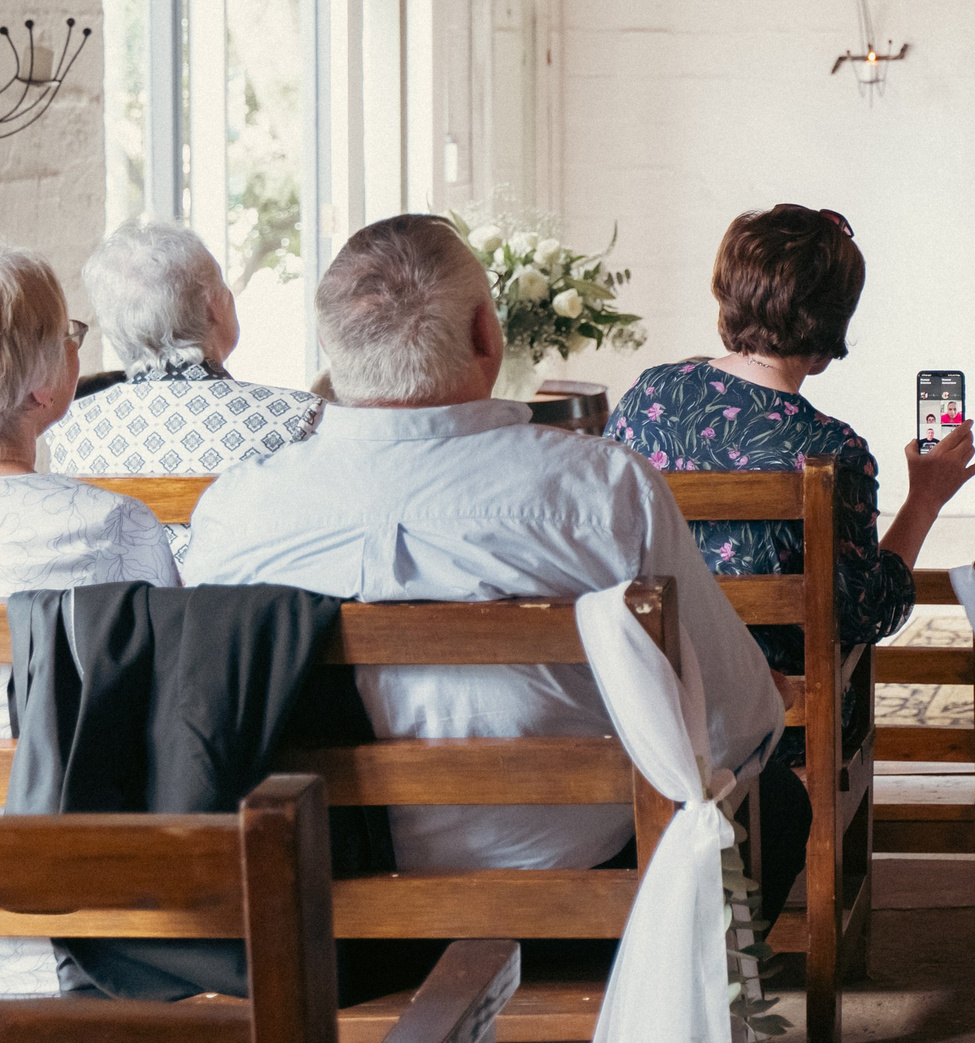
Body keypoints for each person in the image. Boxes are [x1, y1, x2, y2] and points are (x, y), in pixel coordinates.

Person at [184, 215, 786, 885]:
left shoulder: (234, 510)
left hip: (318, 896)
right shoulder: (606, 490)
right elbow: (737, 721)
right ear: (485, 334)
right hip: (584, 890)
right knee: (782, 802)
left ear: (331, 346)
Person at [605, 204, 975, 678]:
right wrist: (925, 500)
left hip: (646, 684)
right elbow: (866, 616)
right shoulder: (834, 448)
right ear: (832, 324)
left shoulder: (649, 391)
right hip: (770, 704)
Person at [0, 244, 179, 998]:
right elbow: (169, 709)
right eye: (70, 334)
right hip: (76, 927)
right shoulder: (112, 526)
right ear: (42, 386)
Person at [43, 221, 320, 560]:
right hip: (246, 595)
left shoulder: (68, 426)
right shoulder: (299, 416)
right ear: (213, 305)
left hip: (115, 596)